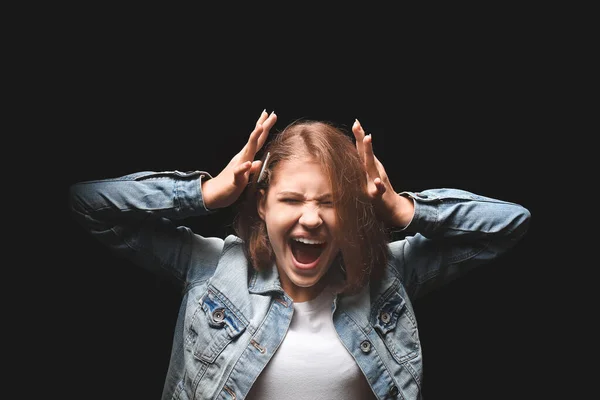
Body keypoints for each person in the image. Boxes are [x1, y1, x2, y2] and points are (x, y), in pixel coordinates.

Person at [69, 110, 531, 400]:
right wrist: (206, 194)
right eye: (292, 200)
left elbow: (509, 224)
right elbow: (88, 203)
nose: (311, 219)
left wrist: (401, 208)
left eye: (329, 202)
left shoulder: (387, 275)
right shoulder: (212, 269)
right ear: (262, 204)